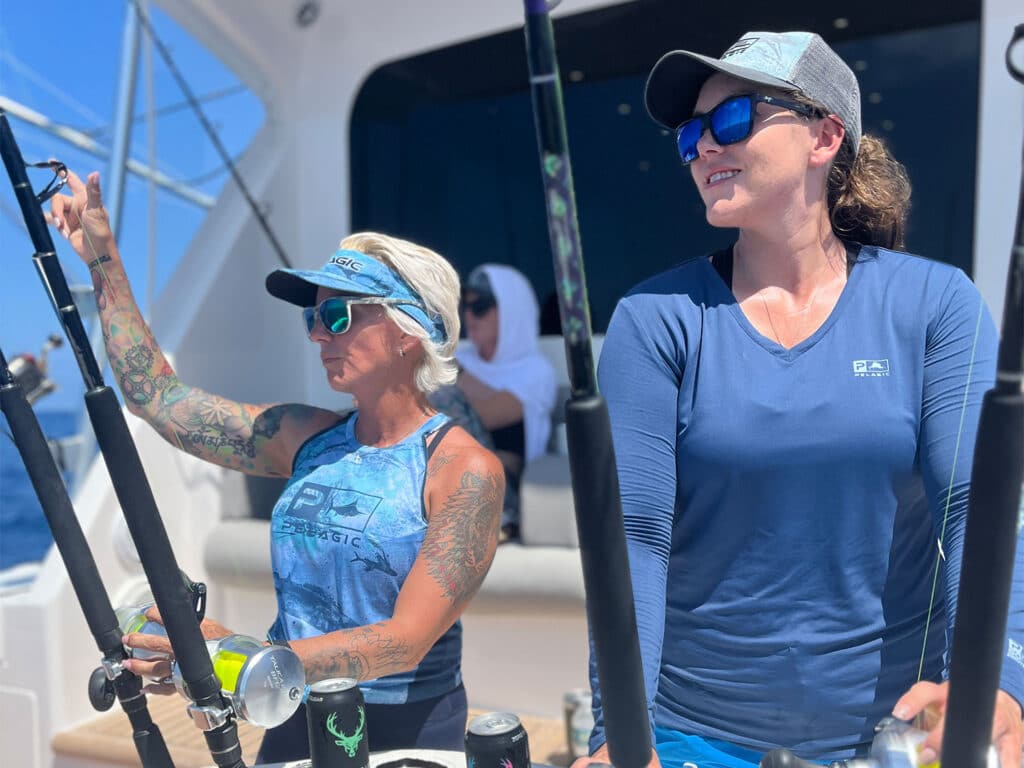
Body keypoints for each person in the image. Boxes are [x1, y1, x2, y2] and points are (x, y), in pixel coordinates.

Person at [575, 30, 1023, 768]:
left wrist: (993, 687)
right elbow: (635, 541)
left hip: (897, 737)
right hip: (693, 738)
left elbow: (975, 509)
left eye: (732, 120)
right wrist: (618, 732)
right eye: (692, 133)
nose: (703, 148)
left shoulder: (936, 304)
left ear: (825, 135)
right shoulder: (654, 320)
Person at [48, 170, 504, 762]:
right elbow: (155, 399)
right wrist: (103, 259)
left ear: (409, 333)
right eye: (311, 318)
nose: (318, 333)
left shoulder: (465, 470)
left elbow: (404, 643)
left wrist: (224, 656)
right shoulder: (303, 437)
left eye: (338, 316)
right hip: (284, 709)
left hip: (407, 733)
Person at [430, 264, 557, 542]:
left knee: (440, 395)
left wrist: (442, 367)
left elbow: (488, 414)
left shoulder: (536, 372)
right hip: (444, 482)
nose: (469, 317)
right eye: (467, 307)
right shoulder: (461, 361)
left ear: (511, 310)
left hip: (500, 492)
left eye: (481, 307)